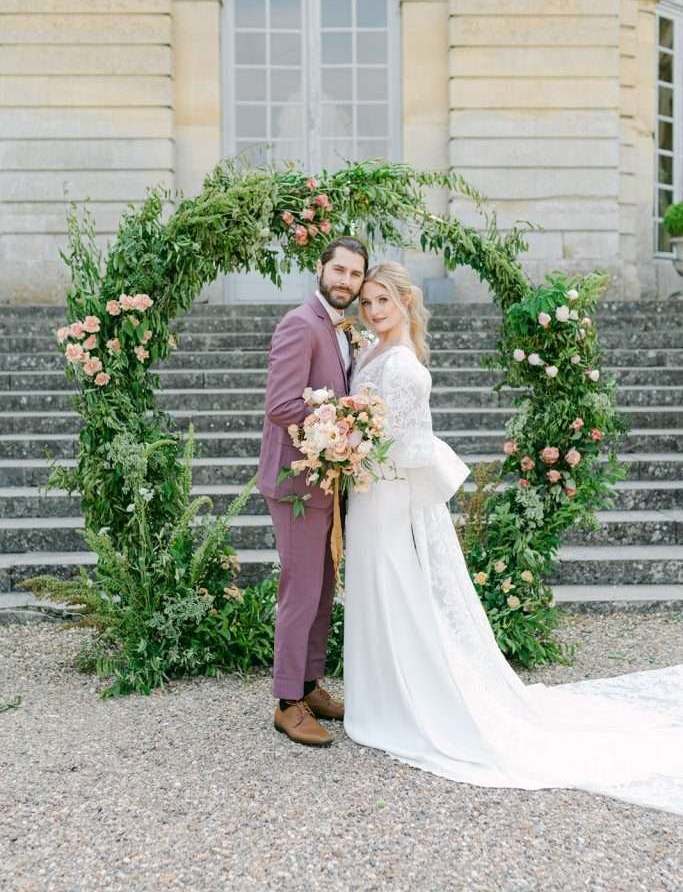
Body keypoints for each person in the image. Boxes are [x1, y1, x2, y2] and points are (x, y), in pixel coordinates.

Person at [343, 261, 683, 816]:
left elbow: (411, 448)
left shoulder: (404, 366)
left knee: (397, 589)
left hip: (388, 493)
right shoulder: (370, 352)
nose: (374, 311)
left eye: (383, 300)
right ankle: (379, 692)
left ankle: (403, 700)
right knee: (379, 589)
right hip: (368, 490)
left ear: (406, 300)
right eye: (368, 303)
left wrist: (352, 445)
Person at [257, 236, 368, 747]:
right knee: (300, 592)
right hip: (298, 480)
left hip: (328, 477)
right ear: (320, 268)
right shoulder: (300, 324)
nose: (346, 281)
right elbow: (282, 405)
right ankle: (286, 702)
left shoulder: (341, 328)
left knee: (323, 588)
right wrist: (339, 430)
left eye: (355, 274)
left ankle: (309, 684)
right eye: (339, 270)